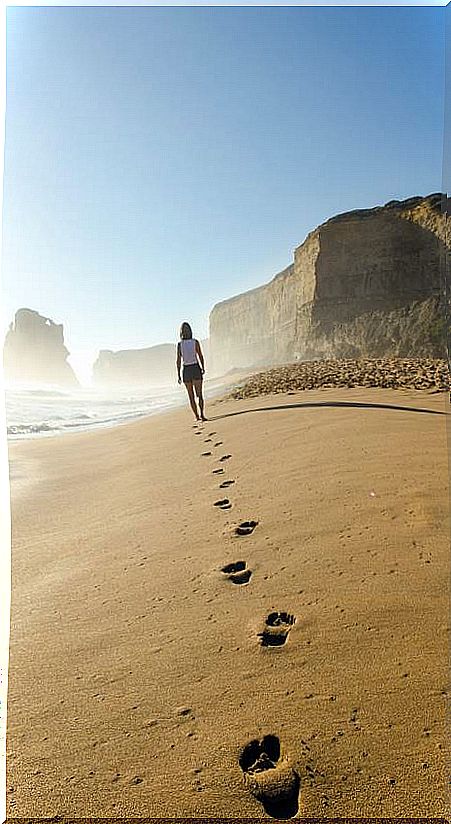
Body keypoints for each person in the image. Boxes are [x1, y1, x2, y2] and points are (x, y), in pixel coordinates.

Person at [176, 322, 207, 421]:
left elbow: (178, 361)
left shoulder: (180, 345)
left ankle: (196, 416)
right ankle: (202, 415)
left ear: (181, 332)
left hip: (186, 370)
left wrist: (178, 375)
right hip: (195, 367)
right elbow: (200, 356)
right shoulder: (195, 342)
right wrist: (203, 367)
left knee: (191, 396)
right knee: (199, 394)